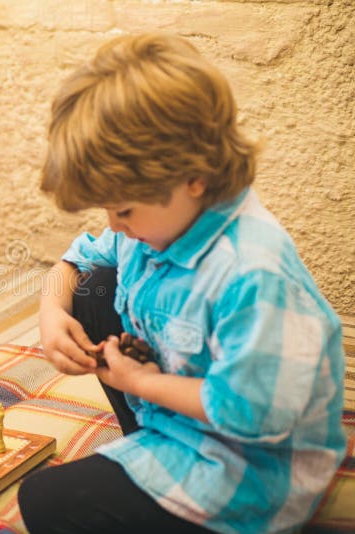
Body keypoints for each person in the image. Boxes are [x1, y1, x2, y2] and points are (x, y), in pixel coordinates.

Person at [18, 34, 346, 534]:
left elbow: (251, 416)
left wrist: (140, 382)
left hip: (249, 472)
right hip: (173, 420)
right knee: (92, 286)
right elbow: (78, 258)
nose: (115, 223)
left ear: (193, 176)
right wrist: (50, 312)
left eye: (124, 209)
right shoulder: (158, 222)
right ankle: (148, 446)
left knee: (45, 498)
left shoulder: (254, 273)